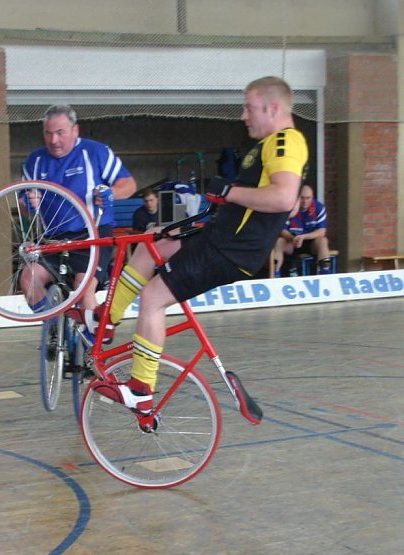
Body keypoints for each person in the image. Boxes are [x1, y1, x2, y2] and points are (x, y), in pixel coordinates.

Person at [97, 76, 308, 415]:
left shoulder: (286, 141)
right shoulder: (272, 144)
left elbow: (282, 197)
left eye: (249, 108)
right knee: (156, 245)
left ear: (273, 108)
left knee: (153, 297)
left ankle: (140, 389)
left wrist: (228, 192)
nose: (243, 115)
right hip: (221, 238)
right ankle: (106, 319)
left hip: (230, 250)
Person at [20, 104, 137, 336]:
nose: (53, 140)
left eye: (60, 132)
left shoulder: (95, 152)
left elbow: (129, 185)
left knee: (83, 290)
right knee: (28, 279)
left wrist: (110, 194)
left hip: (92, 235)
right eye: (48, 133)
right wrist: (29, 203)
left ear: (75, 130)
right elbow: (24, 205)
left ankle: (92, 348)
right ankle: (55, 329)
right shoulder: (35, 161)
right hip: (53, 238)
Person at [272, 184, 332, 276]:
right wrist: (293, 238)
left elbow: (322, 231)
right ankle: (275, 274)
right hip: (291, 241)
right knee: (279, 241)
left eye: (308, 198)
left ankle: (325, 274)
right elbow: (282, 230)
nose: (305, 201)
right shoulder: (289, 206)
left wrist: (303, 237)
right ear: (297, 197)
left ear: (312, 197)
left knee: (323, 241)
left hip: (310, 242)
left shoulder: (318, 207)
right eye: (302, 198)